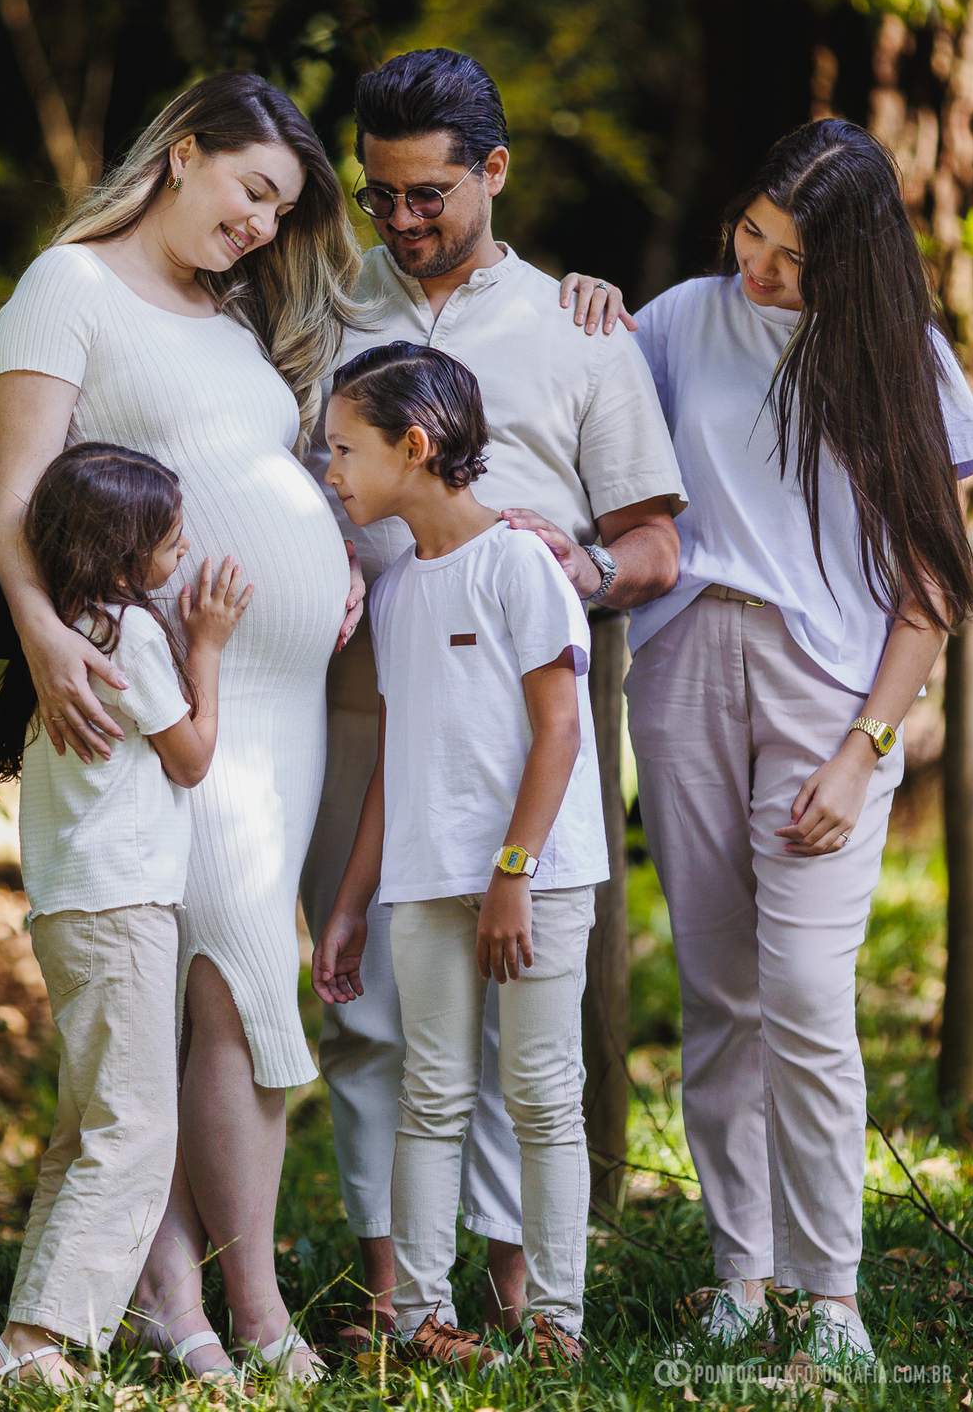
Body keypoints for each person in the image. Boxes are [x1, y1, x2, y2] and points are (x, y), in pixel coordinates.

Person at [0, 72, 366, 1383]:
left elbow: (246, 469)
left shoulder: (227, 315)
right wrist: (44, 638)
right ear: (185, 147)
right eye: (254, 189)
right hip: (168, 713)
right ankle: (231, 1312)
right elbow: (19, 499)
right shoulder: (67, 286)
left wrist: (322, 542)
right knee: (222, 989)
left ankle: (187, 1302)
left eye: (282, 210)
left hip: (274, 706)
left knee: (237, 996)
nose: (265, 224)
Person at [300, 47, 685, 1333]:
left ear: (494, 173)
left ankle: (525, 1283)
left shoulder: (577, 326)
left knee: (525, 1026)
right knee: (375, 1004)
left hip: (524, 699)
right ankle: (395, 1288)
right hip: (361, 681)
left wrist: (576, 567)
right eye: (381, 196)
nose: (404, 224)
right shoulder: (329, 306)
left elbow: (654, 544)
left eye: (430, 196)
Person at [623, 120, 973, 1364]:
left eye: (792, 256)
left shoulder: (908, 363)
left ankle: (831, 1298)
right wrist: (569, 301)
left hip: (829, 693)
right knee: (720, 991)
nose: (761, 269)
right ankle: (743, 1274)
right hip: (679, 668)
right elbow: (582, 424)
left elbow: (934, 583)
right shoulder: (675, 322)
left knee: (807, 994)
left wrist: (866, 744)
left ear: (856, 263)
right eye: (755, 234)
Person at [313, 343, 605, 1368]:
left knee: (538, 1094)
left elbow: (558, 732)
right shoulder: (398, 593)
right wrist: (351, 904)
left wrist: (512, 878)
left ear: (416, 445)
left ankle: (557, 1325)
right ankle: (422, 1318)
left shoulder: (521, 563)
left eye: (344, 448)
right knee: (429, 1093)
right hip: (426, 884)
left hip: (537, 880)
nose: (331, 468)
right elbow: (402, 756)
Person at [0, 443, 251, 1385]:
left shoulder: (62, 627)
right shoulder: (128, 633)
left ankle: (36, 1328)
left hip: (74, 907)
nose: (183, 556)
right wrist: (207, 647)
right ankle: (37, 1342)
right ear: (124, 554)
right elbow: (190, 756)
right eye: (172, 542)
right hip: (122, 906)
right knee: (136, 1125)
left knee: (86, 1126)